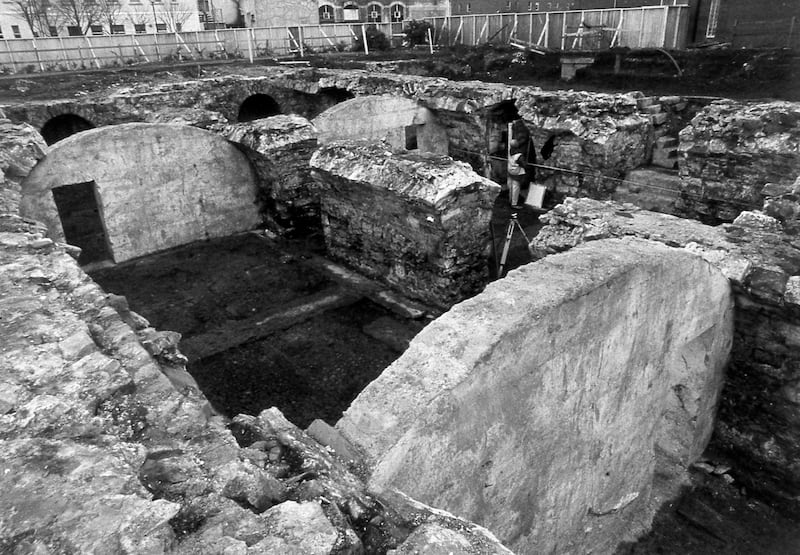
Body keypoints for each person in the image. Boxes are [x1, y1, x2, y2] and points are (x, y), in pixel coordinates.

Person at [507, 141, 527, 208]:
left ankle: (510, 200)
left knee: (511, 187)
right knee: (516, 188)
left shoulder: (510, 152)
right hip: (517, 173)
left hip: (511, 172)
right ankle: (514, 204)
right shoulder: (519, 156)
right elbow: (523, 164)